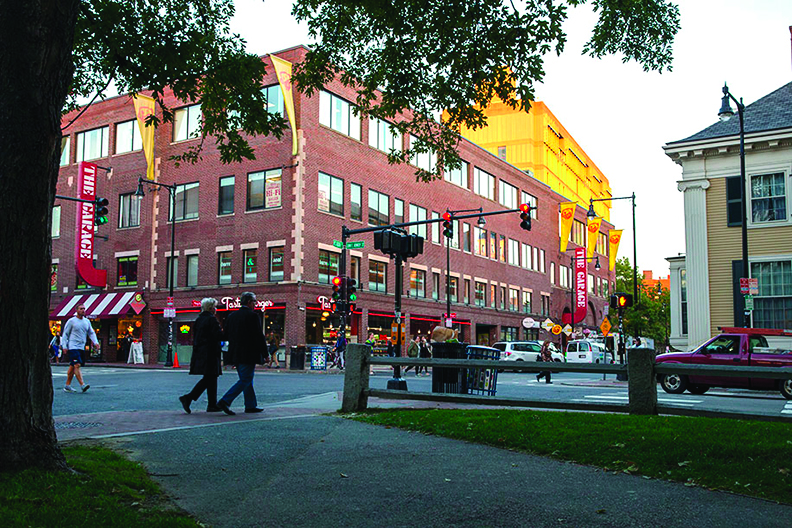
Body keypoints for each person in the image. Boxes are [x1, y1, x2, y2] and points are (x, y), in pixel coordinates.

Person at [217, 292, 267, 415]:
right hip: (248, 353)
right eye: (254, 301)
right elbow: (258, 336)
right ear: (249, 302)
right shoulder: (253, 316)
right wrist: (265, 353)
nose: (255, 304)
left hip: (235, 353)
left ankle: (250, 405)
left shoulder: (232, 316)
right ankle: (225, 400)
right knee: (246, 379)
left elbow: (225, 335)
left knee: (246, 379)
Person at [179, 298, 223, 413]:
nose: (216, 309)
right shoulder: (212, 320)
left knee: (211, 378)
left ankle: (212, 404)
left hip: (201, 352)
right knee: (210, 377)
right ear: (211, 308)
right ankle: (189, 397)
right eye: (215, 307)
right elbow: (218, 335)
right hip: (211, 352)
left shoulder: (199, 319)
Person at [61, 304, 98, 393]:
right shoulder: (71, 321)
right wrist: (64, 346)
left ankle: (67, 385)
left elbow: (91, 333)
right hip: (73, 346)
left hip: (81, 347)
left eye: (84, 309)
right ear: (76, 310)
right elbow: (65, 334)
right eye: (81, 309)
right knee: (77, 365)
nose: (83, 310)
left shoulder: (87, 322)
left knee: (72, 366)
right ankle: (82, 385)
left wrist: (95, 342)